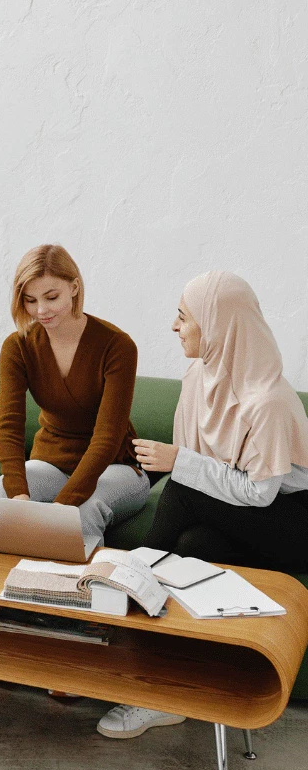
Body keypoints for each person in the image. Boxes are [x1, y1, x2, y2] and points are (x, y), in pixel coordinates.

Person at [97, 270, 308, 739]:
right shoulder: (200, 375)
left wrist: (180, 463)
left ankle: (130, 574)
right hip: (240, 517)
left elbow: (260, 493)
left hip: (294, 522)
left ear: (219, 326)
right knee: (194, 544)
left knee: (185, 485)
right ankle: (166, 692)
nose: (175, 327)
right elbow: (198, 465)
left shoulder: (267, 399)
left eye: (184, 316)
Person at [0, 243, 149, 544]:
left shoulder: (117, 346)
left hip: (115, 468)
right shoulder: (18, 346)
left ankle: (75, 590)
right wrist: (18, 494)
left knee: (80, 516)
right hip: (49, 462)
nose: (41, 311)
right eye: (30, 300)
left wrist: (62, 506)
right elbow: (8, 426)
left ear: (74, 288)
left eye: (51, 297)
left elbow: (107, 436)